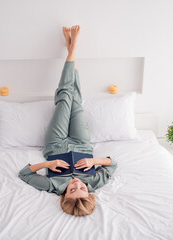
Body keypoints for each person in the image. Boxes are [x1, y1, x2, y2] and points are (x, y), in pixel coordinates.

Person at [19, 25, 117, 216]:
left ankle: (72, 49)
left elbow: (24, 174)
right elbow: (112, 164)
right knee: (76, 100)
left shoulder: (52, 186)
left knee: (65, 99)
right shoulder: (94, 183)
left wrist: (48, 165)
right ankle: (71, 49)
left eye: (71, 190)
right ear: (88, 192)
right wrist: (93, 160)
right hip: (81, 144)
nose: (76, 184)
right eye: (81, 188)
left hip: (55, 144)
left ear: (64, 196)